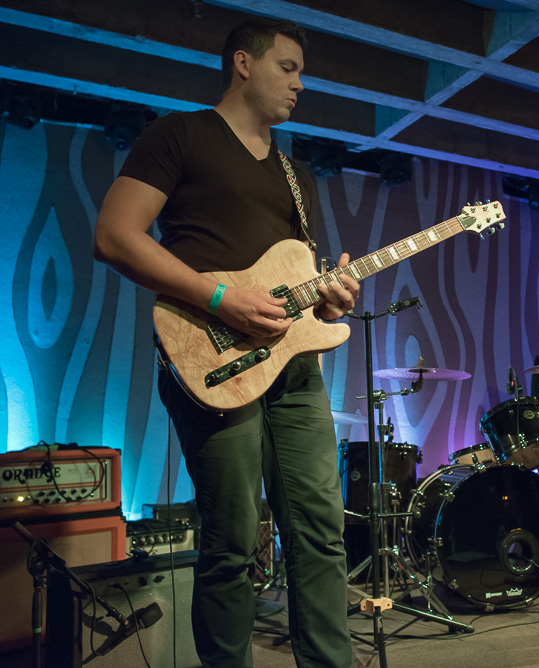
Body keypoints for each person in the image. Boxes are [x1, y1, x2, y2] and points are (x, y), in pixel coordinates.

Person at [93, 18, 358, 667]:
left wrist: (332, 294)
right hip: (211, 358)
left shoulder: (297, 173)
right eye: (288, 67)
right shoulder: (179, 135)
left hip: (293, 371)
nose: (301, 82)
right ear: (243, 62)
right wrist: (219, 298)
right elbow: (115, 236)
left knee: (321, 534)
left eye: (302, 71)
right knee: (233, 542)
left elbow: (297, 279)